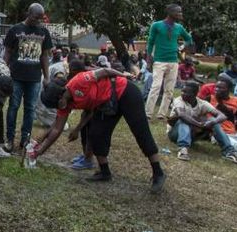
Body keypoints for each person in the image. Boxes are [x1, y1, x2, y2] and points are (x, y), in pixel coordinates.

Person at [35, 67, 166, 193]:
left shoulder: (79, 81)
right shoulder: (64, 104)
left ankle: (158, 173)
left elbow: (104, 71)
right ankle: (104, 172)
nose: (61, 106)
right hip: (106, 104)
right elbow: (57, 129)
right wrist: (39, 152)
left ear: (62, 93)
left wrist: (122, 75)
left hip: (125, 91)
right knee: (96, 134)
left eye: (59, 103)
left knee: (141, 132)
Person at [3, 3, 52, 151]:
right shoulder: (15, 30)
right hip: (16, 76)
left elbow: (44, 56)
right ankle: (9, 139)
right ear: (28, 13)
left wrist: (47, 77)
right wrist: (3, 72)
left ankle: (25, 139)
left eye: (41, 18)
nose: (39, 21)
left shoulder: (44, 32)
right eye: (36, 17)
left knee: (30, 109)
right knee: (13, 107)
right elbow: (8, 53)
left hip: (34, 78)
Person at [167, 81, 237, 163]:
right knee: (184, 120)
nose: (182, 93)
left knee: (214, 122)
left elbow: (222, 116)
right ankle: (183, 149)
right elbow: (181, 114)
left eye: (186, 92)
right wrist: (199, 124)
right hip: (175, 134)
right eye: (182, 91)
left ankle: (229, 152)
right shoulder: (178, 100)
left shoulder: (202, 103)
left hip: (193, 134)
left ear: (194, 94)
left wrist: (212, 122)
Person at [144, 4, 193, 119]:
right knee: (155, 87)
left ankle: (162, 114)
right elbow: (150, 42)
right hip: (159, 61)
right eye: (178, 12)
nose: (181, 14)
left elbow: (188, 39)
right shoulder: (156, 25)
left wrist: (181, 48)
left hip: (173, 62)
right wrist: (149, 60)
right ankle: (148, 114)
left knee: (169, 90)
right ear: (170, 12)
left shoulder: (179, 27)